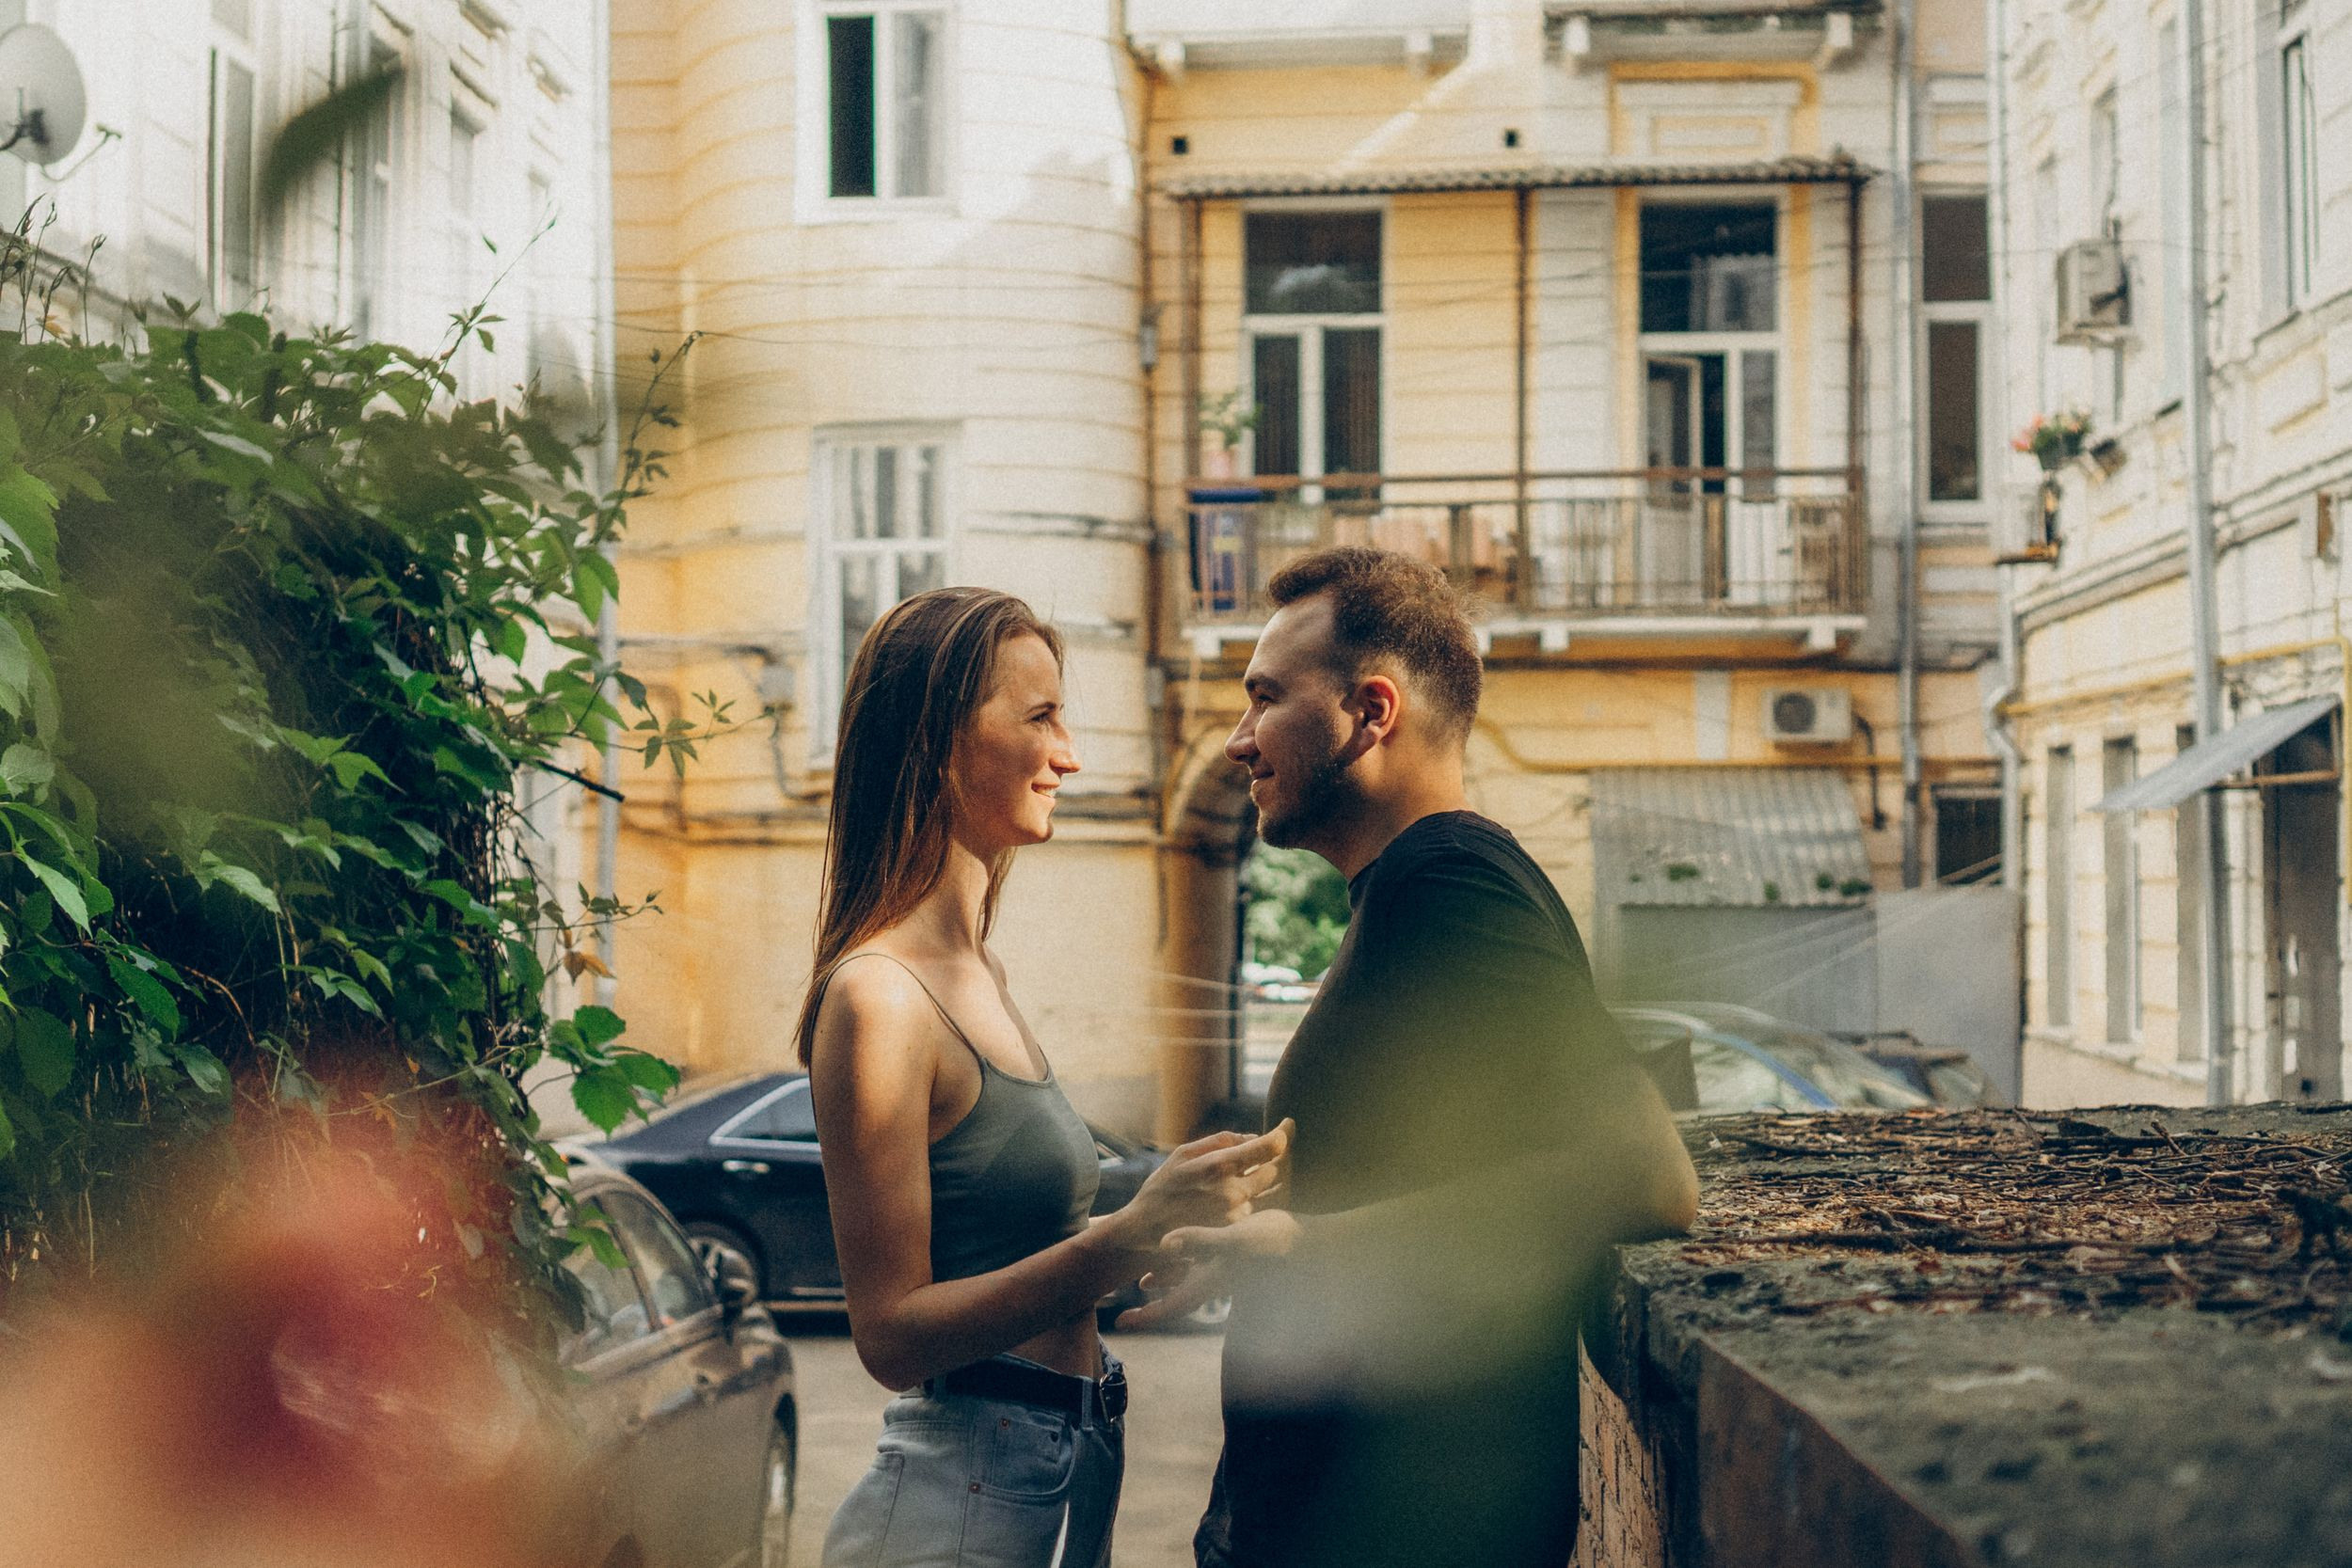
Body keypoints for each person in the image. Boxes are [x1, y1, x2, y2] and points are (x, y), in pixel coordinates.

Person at [1123, 547, 1700, 1568]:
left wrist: (1307, 1243)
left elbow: (1643, 1174)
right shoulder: (1406, 890)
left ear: (1370, 711)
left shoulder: (1451, 878)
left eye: (1264, 700)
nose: (1237, 741)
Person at [800, 586, 1292, 1568]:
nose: (1068, 754)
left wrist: (1171, 1222)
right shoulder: (878, 997)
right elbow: (891, 1336)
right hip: (960, 1491)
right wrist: (1127, 1230)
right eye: (1041, 717)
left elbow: (1019, 1242)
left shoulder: (982, 971)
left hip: (1062, 1459)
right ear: (940, 742)